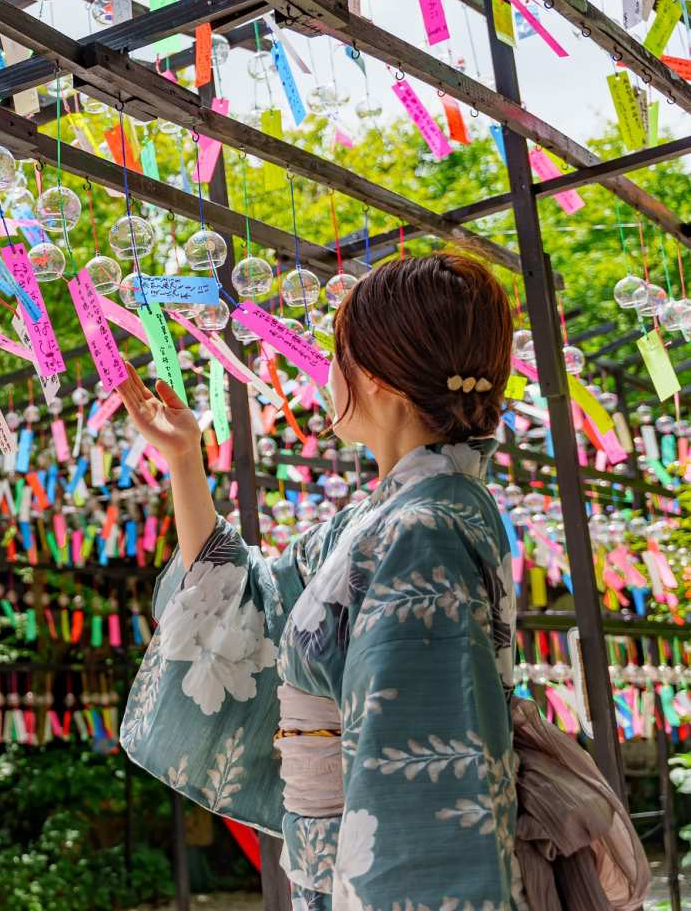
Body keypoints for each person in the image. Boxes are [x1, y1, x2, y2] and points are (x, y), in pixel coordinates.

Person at [116, 254, 641, 910]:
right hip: (334, 862)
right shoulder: (388, 521)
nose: (325, 373)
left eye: (335, 354)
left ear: (376, 378)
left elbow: (423, 776)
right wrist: (184, 463)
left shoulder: (423, 530)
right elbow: (248, 602)